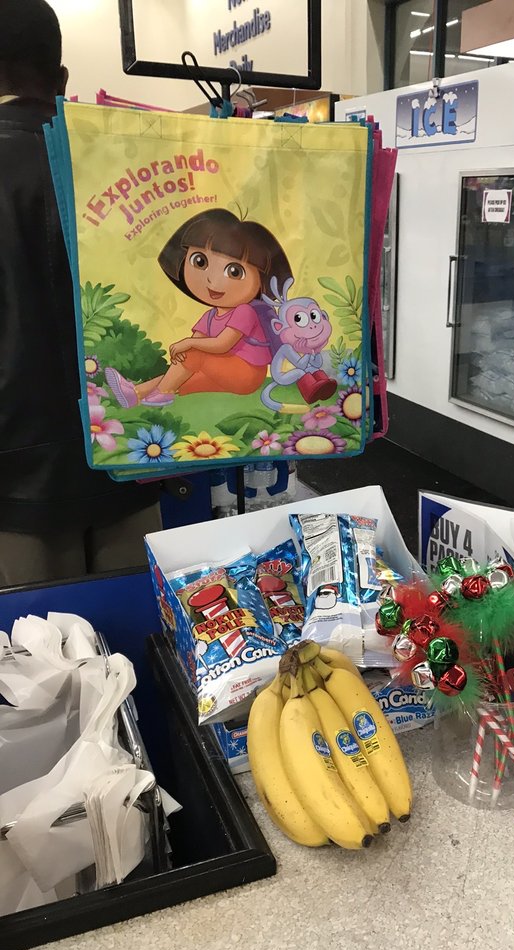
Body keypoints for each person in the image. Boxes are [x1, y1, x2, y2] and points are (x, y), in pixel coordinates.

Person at [0, 0, 162, 587]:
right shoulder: (131, 161)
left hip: (16, 482)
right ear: (63, 78)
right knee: (142, 622)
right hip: (134, 455)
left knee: (39, 639)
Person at [105, 208, 293, 407]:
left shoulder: (245, 311)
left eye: (234, 272)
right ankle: (135, 393)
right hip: (224, 369)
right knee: (183, 376)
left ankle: (163, 393)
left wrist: (188, 345)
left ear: (262, 279)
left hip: (246, 373)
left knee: (193, 354)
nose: (213, 280)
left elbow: (222, 344)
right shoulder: (210, 316)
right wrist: (185, 351)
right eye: (200, 262)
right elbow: (196, 345)